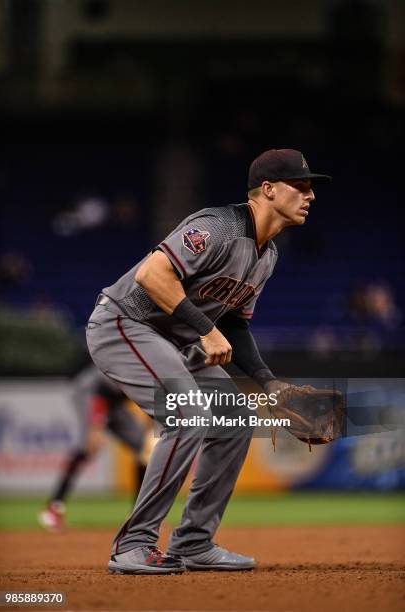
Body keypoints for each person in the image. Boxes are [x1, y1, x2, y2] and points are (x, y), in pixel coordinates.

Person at [86, 148, 331, 574]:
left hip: (175, 340)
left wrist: (268, 383)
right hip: (124, 323)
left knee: (235, 416)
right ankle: (133, 543)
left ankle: (194, 543)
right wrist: (205, 328)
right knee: (189, 414)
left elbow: (234, 323)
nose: (310, 196)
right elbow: (151, 275)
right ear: (269, 190)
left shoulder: (267, 255)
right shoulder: (217, 226)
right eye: (302, 186)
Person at [38, 364, 148, 531]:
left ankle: (137, 515)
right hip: (90, 392)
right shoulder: (139, 363)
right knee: (89, 446)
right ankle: (54, 506)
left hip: (114, 401)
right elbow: (102, 388)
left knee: (144, 448)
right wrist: (96, 426)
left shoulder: (166, 367)